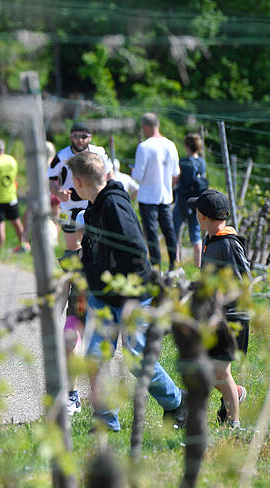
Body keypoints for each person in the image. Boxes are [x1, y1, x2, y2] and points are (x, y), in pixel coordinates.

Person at [68, 151, 186, 432]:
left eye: (73, 181)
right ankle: (106, 421)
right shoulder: (94, 207)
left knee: (136, 359)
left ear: (79, 180)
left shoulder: (114, 205)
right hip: (102, 296)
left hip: (131, 296)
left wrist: (131, 291)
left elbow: (135, 249)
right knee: (95, 358)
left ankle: (177, 403)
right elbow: (97, 250)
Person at [189, 189, 251, 428]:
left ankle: (234, 424)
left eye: (197, 211)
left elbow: (241, 281)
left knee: (220, 370)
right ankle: (235, 393)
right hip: (215, 317)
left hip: (232, 318)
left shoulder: (227, 243)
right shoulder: (210, 240)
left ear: (202, 217)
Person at [47, 122, 114, 253]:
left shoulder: (98, 152)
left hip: (93, 203)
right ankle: (76, 270)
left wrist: (108, 195)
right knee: (72, 246)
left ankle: (91, 271)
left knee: (95, 243)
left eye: (84, 136)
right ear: (71, 137)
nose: (80, 140)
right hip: (69, 205)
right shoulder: (62, 156)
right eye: (76, 136)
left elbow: (110, 174)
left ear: (90, 137)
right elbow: (50, 180)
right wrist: (59, 193)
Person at [132, 113, 180, 270]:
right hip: (165, 195)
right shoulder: (171, 145)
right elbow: (175, 174)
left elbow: (138, 176)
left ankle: (156, 266)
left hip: (147, 197)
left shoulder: (144, 147)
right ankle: (174, 263)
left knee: (151, 234)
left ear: (146, 127)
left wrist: (134, 172)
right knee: (169, 231)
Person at [0, 139, 28, 255]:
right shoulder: (12, 160)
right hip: (11, 196)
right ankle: (24, 244)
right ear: (3, 148)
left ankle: (0, 251)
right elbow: (15, 176)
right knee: (16, 222)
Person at [173, 133, 209, 267]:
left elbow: (176, 179)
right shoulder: (202, 162)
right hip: (196, 202)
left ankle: (175, 263)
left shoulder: (183, 162)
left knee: (175, 232)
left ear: (187, 146)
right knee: (195, 235)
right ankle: (198, 266)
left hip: (182, 201)